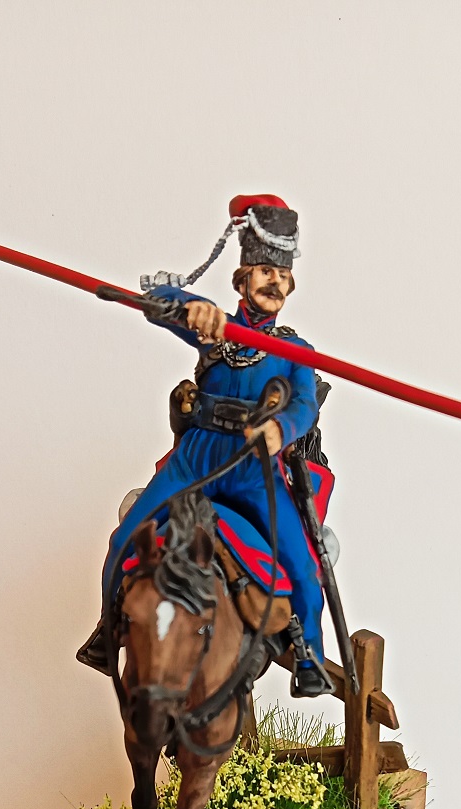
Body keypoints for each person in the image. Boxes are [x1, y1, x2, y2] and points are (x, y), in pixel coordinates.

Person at [76, 193, 334, 698]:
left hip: (254, 469)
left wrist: (281, 430)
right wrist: (188, 307)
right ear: (242, 280)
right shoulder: (216, 329)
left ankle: (309, 657)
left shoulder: (295, 351)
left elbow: (305, 405)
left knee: (305, 565)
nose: (275, 283)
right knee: (124, 538)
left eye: (282, 275)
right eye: (264, 272)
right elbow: (153, 303)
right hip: (197, 457)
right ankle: (109, 630)